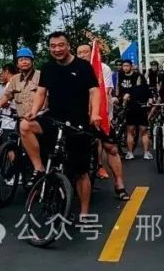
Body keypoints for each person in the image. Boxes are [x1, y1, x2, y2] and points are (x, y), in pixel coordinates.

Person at [21, 32, 109, 214]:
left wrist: (94, 114)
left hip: (78, 122)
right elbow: (41, 93)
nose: (57, 49)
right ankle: (39, 168)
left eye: (61, 45)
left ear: (68, 46)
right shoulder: (48, 68)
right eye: (53, 46)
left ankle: (84, 213)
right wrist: (33, 111)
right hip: (54, 119)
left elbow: (94, 91)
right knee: (25, 126)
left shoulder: (83, 67)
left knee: (81, 172)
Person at [76, 44, 127, 192]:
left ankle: (119, 183)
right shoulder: (74, 68)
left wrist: (97, 113)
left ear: (91, 53)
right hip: (80, 115)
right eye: (79, 52)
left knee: (111, 148)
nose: (82, 55)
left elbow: (105, 92)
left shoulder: (103, 68)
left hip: (101, 114)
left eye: (85, 52)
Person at [0, 63, 19, 130]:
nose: (2, 75)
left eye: (2, 73)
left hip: (10, 119)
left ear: (7, 71)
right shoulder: (18, 82)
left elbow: (6, 103)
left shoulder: (11, 83)